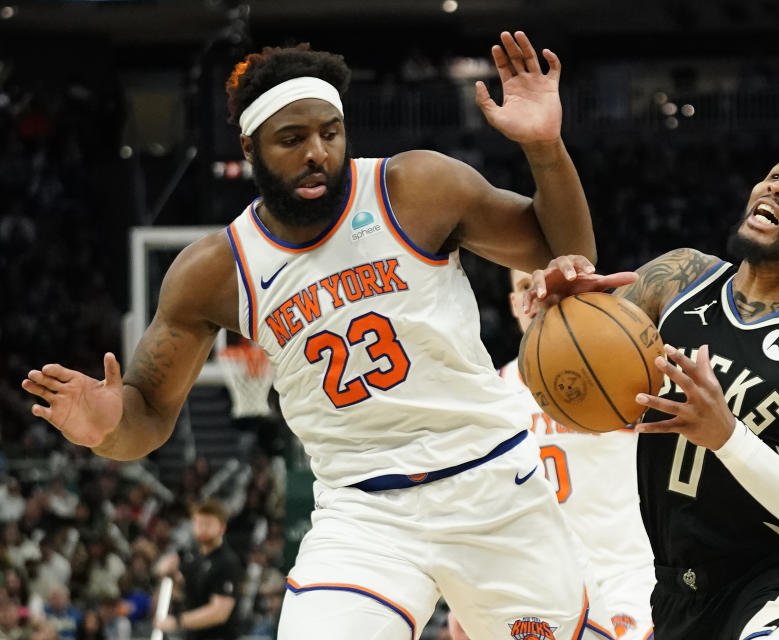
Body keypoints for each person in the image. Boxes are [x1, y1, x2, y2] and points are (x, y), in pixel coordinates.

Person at [22, 32, 614, 640]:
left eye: (330, 133)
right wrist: (106, 429)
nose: (316, 153)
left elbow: (564, 250)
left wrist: (544, 145)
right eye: (292, 139)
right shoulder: (215, 272)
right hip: (364, 512)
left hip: (489, 482)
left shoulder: (414, 189)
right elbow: (145, 416)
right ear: (250, 147)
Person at [523, 151, 779, 640]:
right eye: (775, 174)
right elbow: (581, 375)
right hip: (676, 588)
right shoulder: (679, 279)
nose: (777, 186)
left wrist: (727, 435)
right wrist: (559, 312)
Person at [503, 268, 655, 640]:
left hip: (629, 576)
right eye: (526, 287)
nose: (537, 296)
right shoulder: (491, 394)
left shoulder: (622, 370)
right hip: (542, 590)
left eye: (547, 285)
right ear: (513, 304)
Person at [153, 499, 242, 640]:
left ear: (222, 527)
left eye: (208, 524)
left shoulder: (227, 562)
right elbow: (182, 583)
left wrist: (178, 621)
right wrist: (168, 571)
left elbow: (219, 612)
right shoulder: (192, 555)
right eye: (198, 523)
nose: (202, 528)